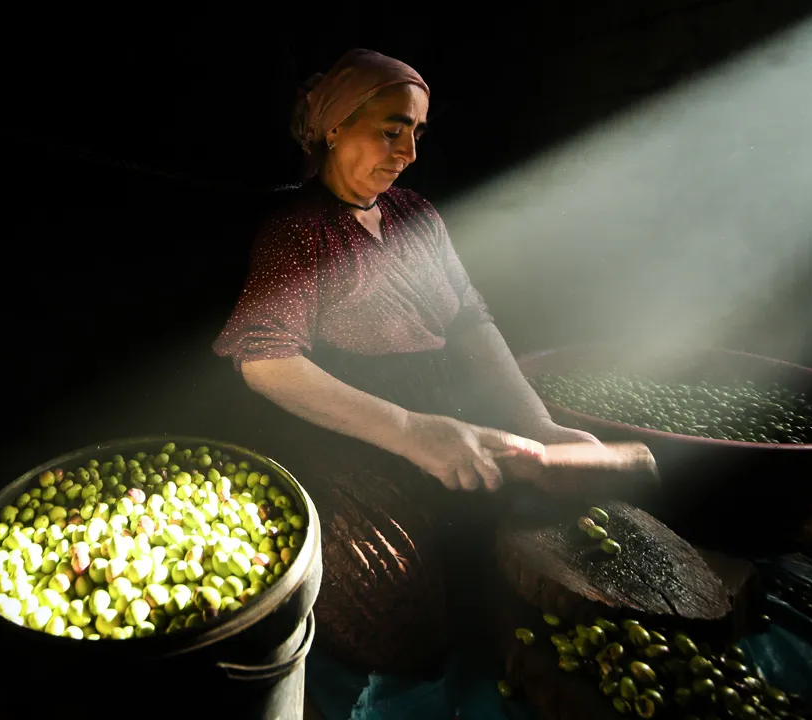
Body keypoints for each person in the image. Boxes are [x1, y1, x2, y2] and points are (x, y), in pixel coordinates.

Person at [212, 49, 601, 679]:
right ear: (335, 129)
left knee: (543, 545)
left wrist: (538, 424)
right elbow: (264, 359)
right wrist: (411, 432)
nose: (410, 153)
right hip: (353, 436)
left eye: (417, 133)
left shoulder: (415, 215)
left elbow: (470, 320)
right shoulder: (299, 232)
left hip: (449, 415)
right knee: (401, 622)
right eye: (392, 131)